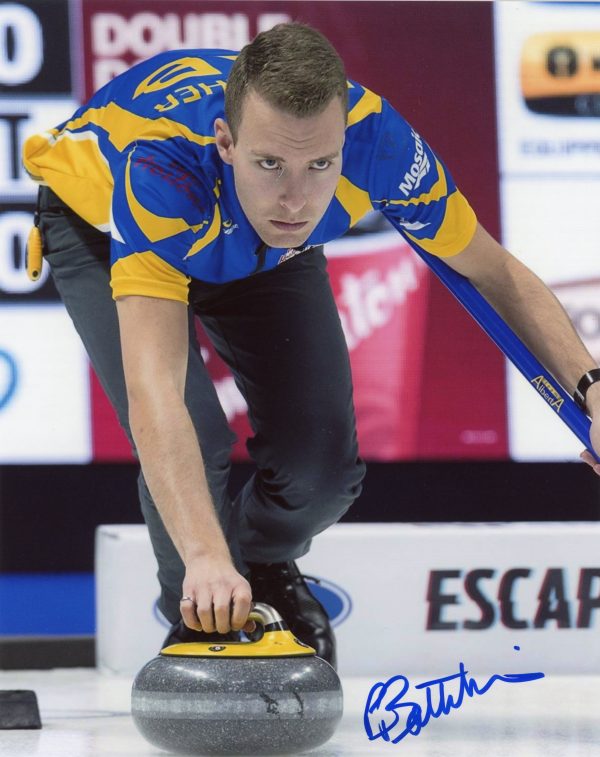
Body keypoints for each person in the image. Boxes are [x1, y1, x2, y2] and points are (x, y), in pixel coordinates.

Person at [22, 23, 600, 668]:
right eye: (271, 162)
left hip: (266, 247)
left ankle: (260, 567)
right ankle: (207, 619)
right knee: (202, 440)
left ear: (344, 145)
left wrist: (593, 390)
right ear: (227, 142)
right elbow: (156, 392)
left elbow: (491, 272)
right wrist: (207, 559)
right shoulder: (163, 169)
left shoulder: (378, 142)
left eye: (320, 164)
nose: (296, 197)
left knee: (323, 471)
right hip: (104, 224)